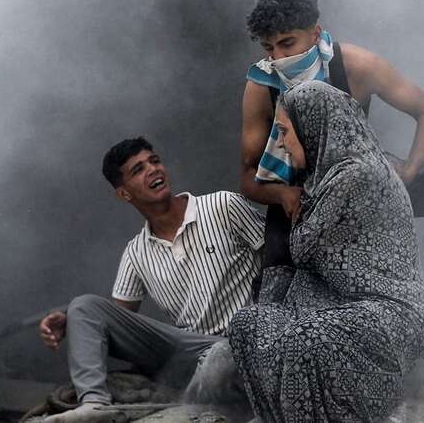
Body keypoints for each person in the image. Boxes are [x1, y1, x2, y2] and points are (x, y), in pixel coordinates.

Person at [239, 0, 424, 364]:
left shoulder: (357, 66)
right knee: (275, 286)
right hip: (302, 193)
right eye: (269, 49)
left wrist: (408, 171)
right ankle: (277, 364)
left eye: (287, 43)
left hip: (363, 180)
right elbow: (248, 178)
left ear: (315, 33)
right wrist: (282, 196)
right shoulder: (260, 86)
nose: (279, 58)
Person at [229, 80, 424, 422]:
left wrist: (289, 194)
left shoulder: (357, 174)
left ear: (313, 127)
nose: (280, 145)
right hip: (330, 307)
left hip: (386, 313)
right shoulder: (322, 178)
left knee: (308, 339)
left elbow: (304, 248)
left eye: (284, 132)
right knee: (248, 323)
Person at [38, 137, 265, 423]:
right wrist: (71, 320)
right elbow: (118, 321)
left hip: (244, 344)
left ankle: (192, 405)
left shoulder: (223, 206)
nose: (153, 170)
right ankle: (94, 405)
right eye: (138, 170)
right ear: (124, 194)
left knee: (222, 356)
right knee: (83, 306)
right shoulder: (135, 252)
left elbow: (280, 258)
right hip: (189, 353)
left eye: (154, 161)